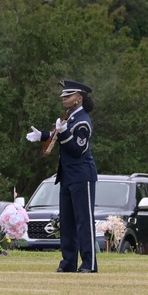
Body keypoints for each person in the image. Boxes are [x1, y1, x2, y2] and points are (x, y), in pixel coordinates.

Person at [26, 79, 98, 273]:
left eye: (68, 96)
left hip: (82, 176)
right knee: (67, 222)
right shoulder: (70, 117)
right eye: (64, 96)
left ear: (79, 99)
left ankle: (89, 264)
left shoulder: (83, 121)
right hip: (67, 176)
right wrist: (42, 136)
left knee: (84, 221)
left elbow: (77, 149)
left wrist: (63, 132)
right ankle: (68, 263)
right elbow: (57, 135)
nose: (64, 99)